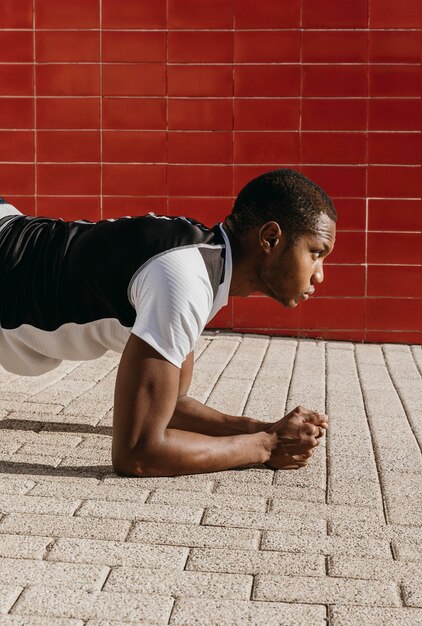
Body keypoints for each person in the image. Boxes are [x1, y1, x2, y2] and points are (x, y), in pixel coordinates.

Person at [0, 168, 336, 476]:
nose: (319, 275)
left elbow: (170, 405)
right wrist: (266, 447)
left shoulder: (203, 265)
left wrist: (264, 429)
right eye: (316, 252)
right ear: (271, 239)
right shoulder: (185, 279)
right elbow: (137, 453)